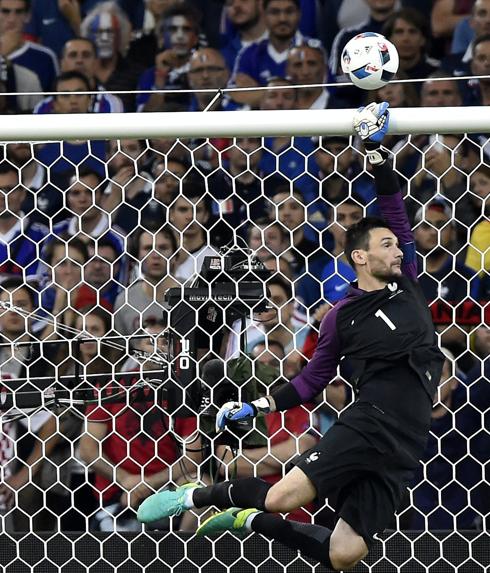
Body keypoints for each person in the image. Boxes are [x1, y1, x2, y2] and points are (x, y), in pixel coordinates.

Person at [137, 102, 446, 572]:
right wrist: (258, 406)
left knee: (344, 555)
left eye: (395, 244)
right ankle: (193, 495)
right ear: (359, 258)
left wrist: (378, 152)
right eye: (385, 244)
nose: (398, 248)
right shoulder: (340, 317)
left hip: (408, 438)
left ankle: (246, 519)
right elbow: (310, 382)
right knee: (282, 497)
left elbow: (394, 210)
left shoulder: (407, 283)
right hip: (372, 419)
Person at [34, 37, 124, 114]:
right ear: (62, 63)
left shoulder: (110, 103)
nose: (79, 60)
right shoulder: (44, 106)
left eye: (86, 55)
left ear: (96, 63)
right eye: (73, 55)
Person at [0, 161, 48, 280]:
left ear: (23, 194)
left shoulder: (42, 236)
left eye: (8, 189)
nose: (2, 196)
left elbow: (39, 285)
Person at [0, 0, 59, 91]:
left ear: (28, 16)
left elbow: (54, 101)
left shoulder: (45, 57)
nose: (12, 19)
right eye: (5, 11)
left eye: (19, 12)